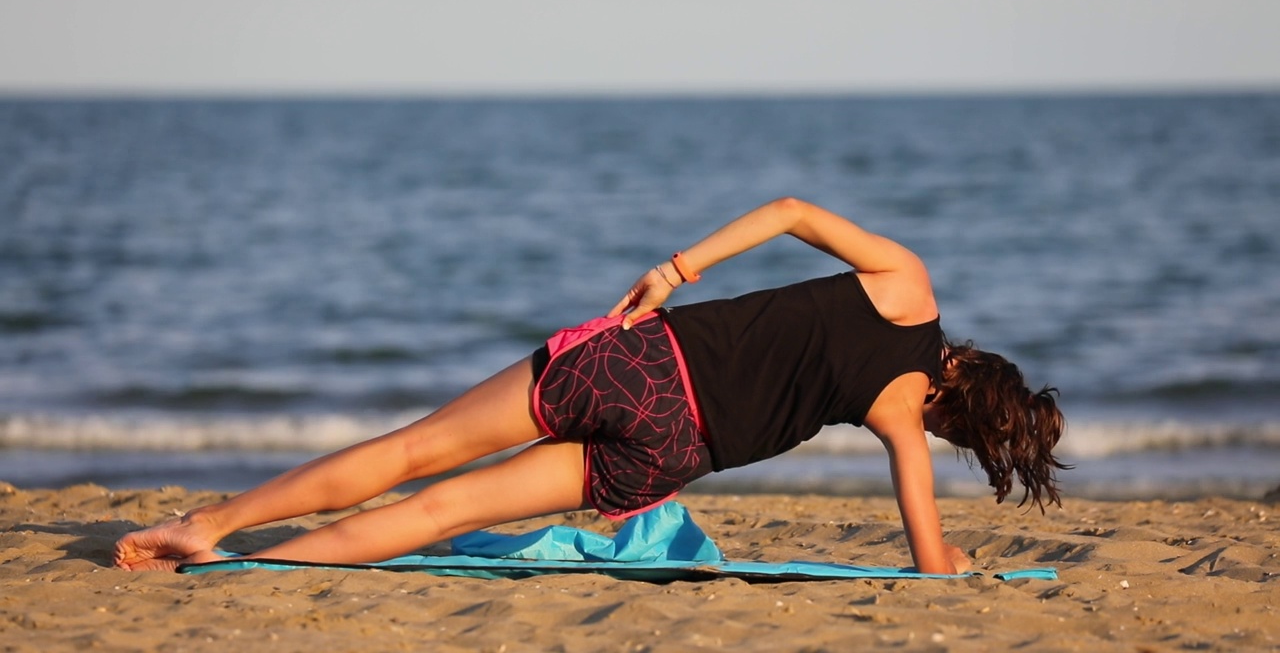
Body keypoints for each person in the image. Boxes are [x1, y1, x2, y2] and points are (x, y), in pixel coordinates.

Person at [114, 198, 1068, 575]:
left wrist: (675, 270)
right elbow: (929, 557)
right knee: (444, 510)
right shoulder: (903, 422)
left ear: (969, 361)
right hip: (668, 449)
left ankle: (212, 529)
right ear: (963, 420)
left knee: (411, 451)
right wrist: (957, 575)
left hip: (641, 360)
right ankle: (259, 569)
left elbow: (793, 212)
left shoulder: (909, 288)